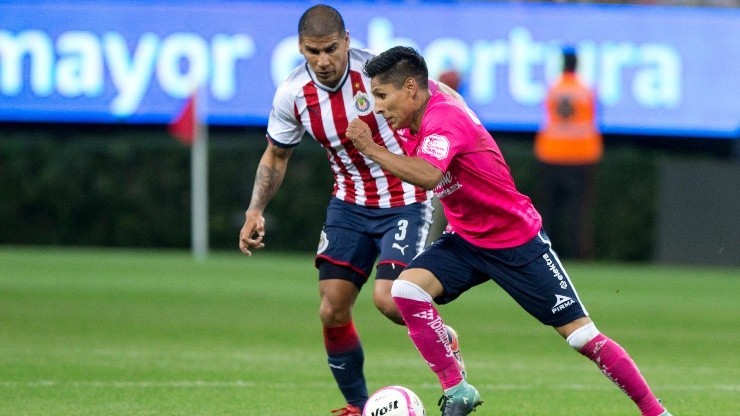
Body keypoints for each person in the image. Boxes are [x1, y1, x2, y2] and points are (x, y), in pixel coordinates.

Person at [346, 46, 672, 416]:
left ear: (410, 89)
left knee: (582, 337)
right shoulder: (412, 112)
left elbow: (428, 174)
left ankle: (656, 412)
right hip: (468, 239)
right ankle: (457, 388)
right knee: (405, 290)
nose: (377, 106)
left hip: (516, 241)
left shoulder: (443, 118)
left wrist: (370, 148)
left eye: (382, 96)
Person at [237, 6, 463, 415]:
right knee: (332, 307)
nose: (323, 61)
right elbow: (276, 155)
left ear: (346, 41)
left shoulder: (375, 73)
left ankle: (442, 335)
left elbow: (440, 99)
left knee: (391, 301)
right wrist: (255, 209)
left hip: (405, 201)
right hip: (349, 204)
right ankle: (358, 406)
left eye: (329, 49)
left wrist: (467, 137)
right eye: (312, 52)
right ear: (301, 48)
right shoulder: (292, 93)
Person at [534, 46, 603, 259]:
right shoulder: (586, 90)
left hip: (551, 153)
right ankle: (578, 254)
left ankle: (546, 252)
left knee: (550, 209)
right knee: (578, 210)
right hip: (581, 155)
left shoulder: (553, 89)